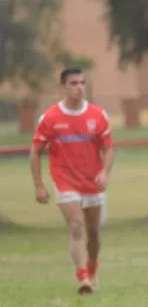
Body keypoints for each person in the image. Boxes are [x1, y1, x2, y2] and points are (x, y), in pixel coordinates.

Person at [30, 68, 113, 294]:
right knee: (76, 226)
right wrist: (39, 185)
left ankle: (92, 269)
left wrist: (104, 172)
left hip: (92, 182)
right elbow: (35, 151)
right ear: (63, 87)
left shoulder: (97, 115)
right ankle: (83, 278)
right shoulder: (50, 118)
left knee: (93, 232)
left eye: (82, 83)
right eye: (74, 83)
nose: (79, 87)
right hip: (65, 181)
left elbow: (107, 148)